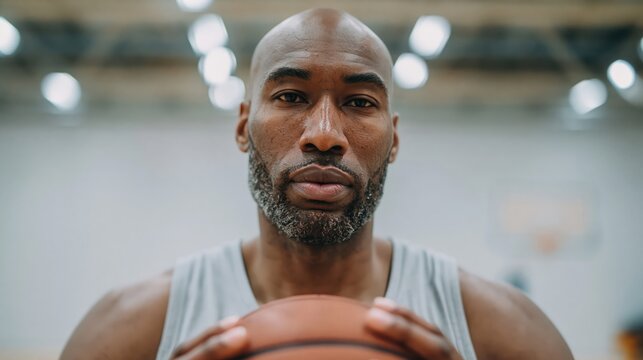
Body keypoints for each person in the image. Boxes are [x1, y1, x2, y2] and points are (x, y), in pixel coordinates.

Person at [60, 8, 574, 360]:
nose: (324, 135)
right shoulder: (129, 332)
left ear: (393, 139)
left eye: (359, 103)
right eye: (290, 97)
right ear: (243, 127)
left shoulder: (503, 333)